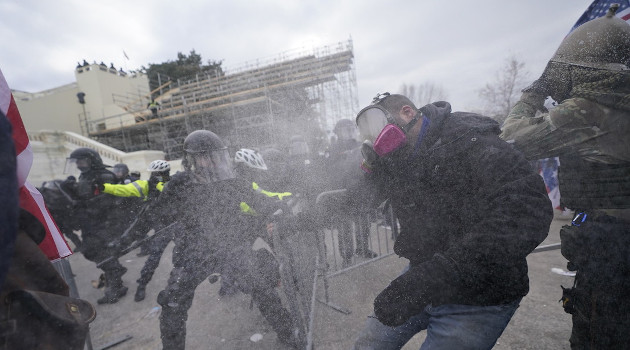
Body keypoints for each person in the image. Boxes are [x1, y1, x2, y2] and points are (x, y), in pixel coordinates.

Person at [351, 93, 552, 349]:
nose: (376, 139)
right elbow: (361, 197)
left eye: (378, 126)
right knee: (369, 344)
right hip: (425, 276)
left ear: (407, 113)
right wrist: (309, 218)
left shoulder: (470, 140)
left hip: (479, 294)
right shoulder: (400, 160)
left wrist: (435, 275)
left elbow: (526, 211)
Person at [500, 6, 630, 349]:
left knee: (597, 332)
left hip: (613, 248)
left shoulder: (587, 110)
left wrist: (532, 94)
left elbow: (511, 140)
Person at [148, 130, 300, 349]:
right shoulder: (179, 184)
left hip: (231, 246)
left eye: (215, 155)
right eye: (205, 156)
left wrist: (278, 208)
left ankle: (289, 334)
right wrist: (175, 220)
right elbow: (160, 214)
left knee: (261, 287)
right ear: (192, 159)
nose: (211, 161)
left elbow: (256, 199)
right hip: (193, 252)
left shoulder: (231, 180)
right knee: (172, 302)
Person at [64, 148, 129, 304]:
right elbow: (85, 194)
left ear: (91, 160)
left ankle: (115, 287)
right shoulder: (85, 176)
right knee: (89, 251)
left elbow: (108, 199)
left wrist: (83, 204)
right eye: (76, 162)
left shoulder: (104, 175)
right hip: (91, 223)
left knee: (103, 253)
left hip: (106, 223)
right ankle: (115, 271)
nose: (78, 165)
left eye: (81, 161)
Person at [101, 159, 171, 302]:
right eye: (154, 174)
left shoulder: (172, 184)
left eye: (160, 174)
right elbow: (125, 190)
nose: (156, 176)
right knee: (149, 251)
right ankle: (142, 285)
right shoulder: (146, 184)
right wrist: (104, 187)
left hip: (171, 224)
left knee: (175, 254)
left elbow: (168, 189)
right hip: (153, 220)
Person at [326, 119, 377, 266]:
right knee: (344, 227)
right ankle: (346, 256)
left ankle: (362, 248)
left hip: (359, 190)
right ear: (338, 132)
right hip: (342, 193)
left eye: (351, 129)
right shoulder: (334, 148)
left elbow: (366, 163)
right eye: (345, 130)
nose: (349, 133)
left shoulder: (359, 145)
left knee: (363, 222)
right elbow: (330, 170)